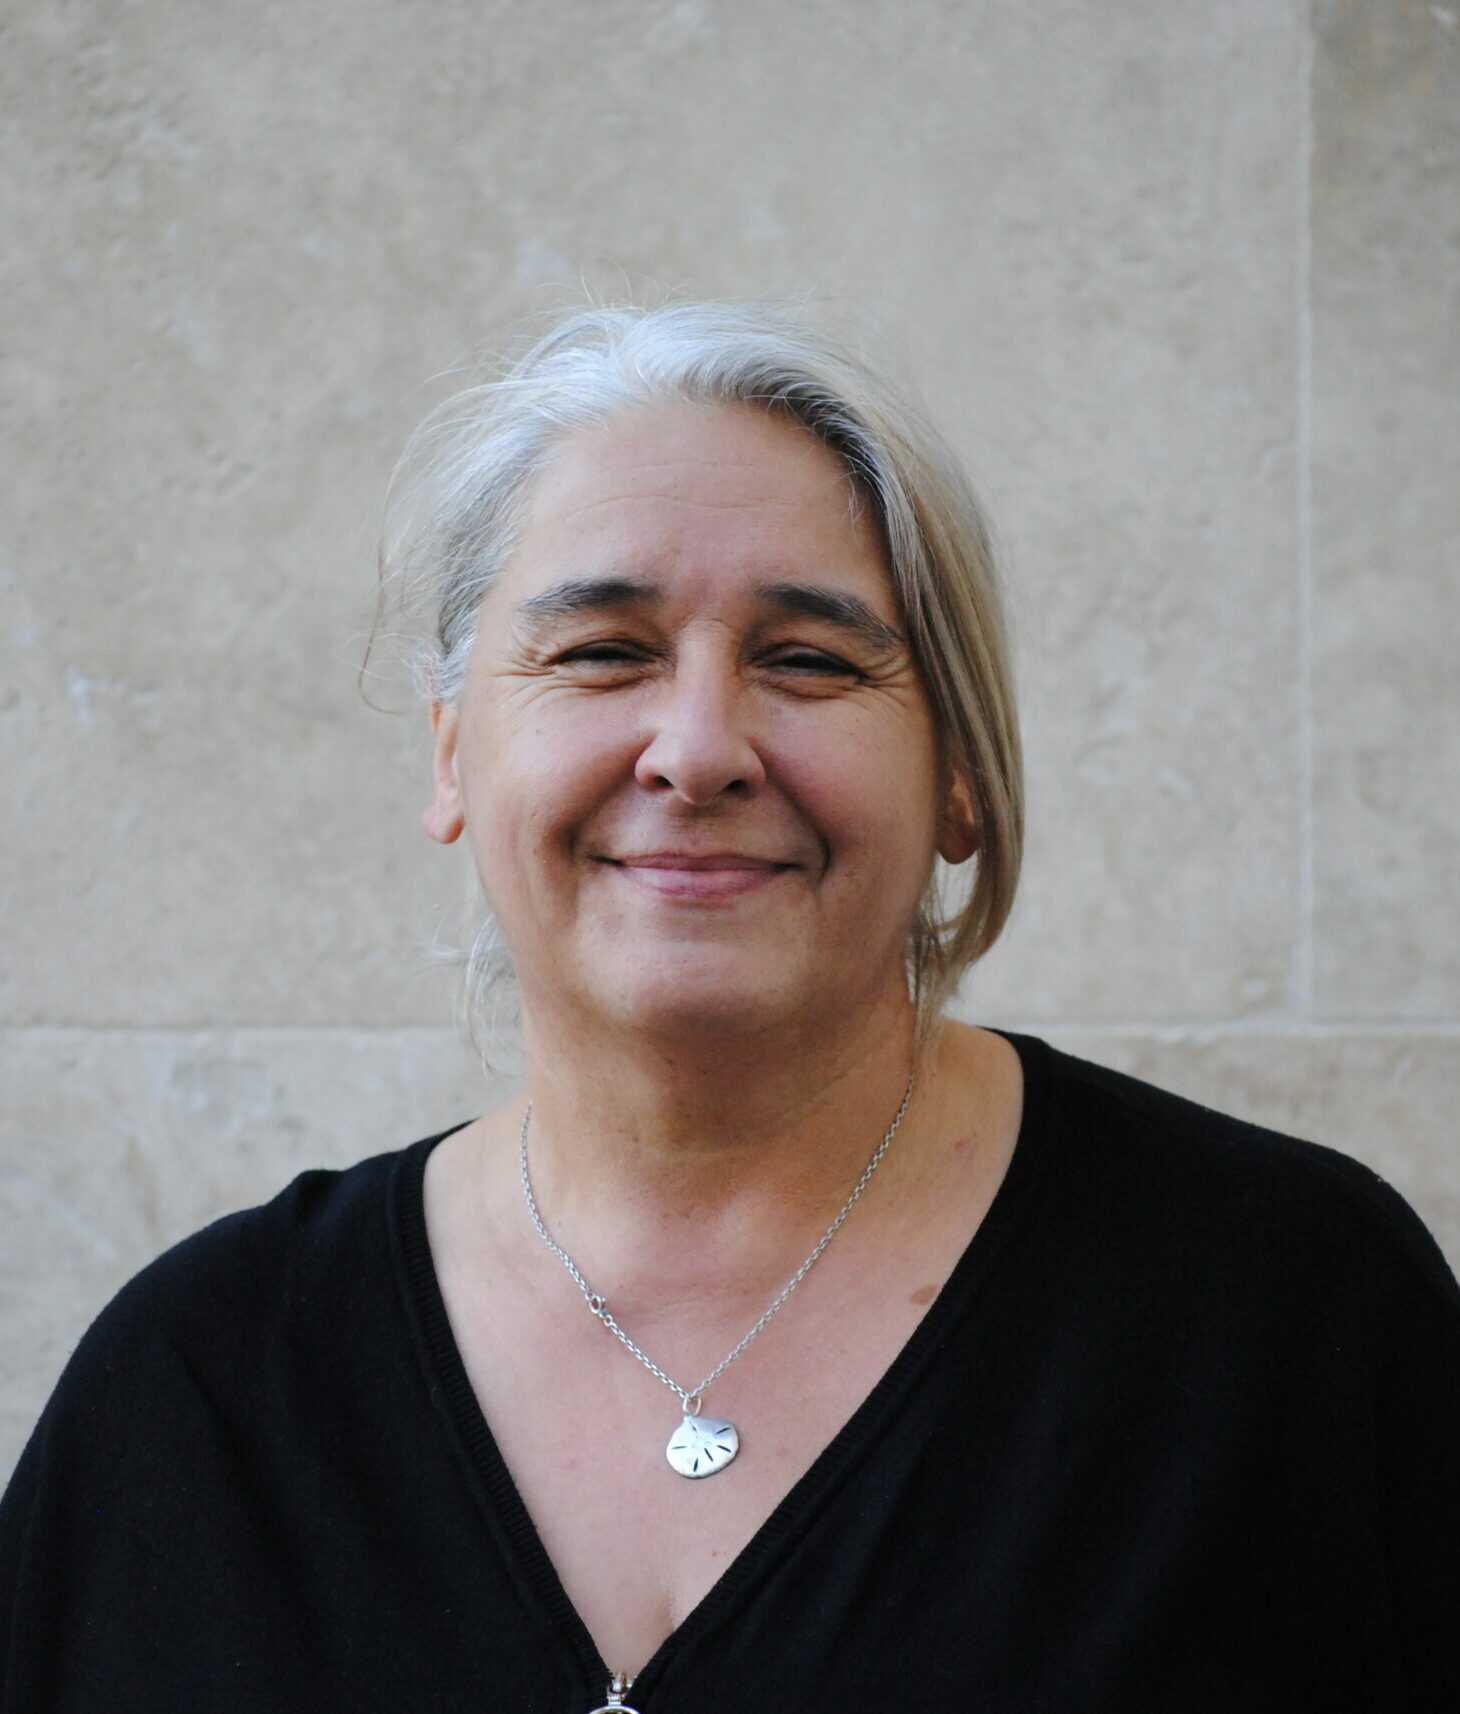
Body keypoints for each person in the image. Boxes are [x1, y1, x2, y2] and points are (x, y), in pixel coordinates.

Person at [2, 301, 1457, 1713]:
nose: (697, 751)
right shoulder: (196, 1391)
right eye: (601, 651)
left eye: (809, 659)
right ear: (452, 752)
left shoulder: (1292, 1321)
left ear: (960, 769)